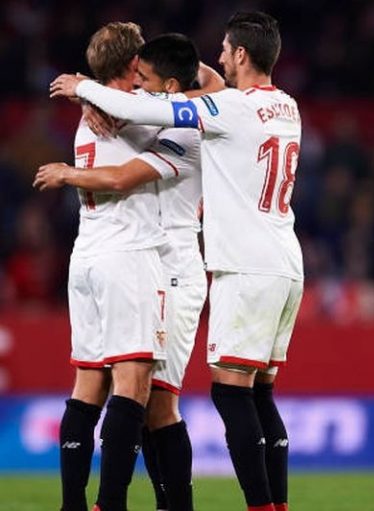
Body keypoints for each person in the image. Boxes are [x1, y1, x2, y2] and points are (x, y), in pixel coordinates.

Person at [51, 12, 303, 511]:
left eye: (227, 49)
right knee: (181, 399)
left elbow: (131, 155)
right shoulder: (284, 105)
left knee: (171, 399)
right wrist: (97, 94)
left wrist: (85, 91)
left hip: (191, 267)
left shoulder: (202, 122)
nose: (219, 58)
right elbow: (179, 88)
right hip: (259, 258)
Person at [37, 33, 222, 511]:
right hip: (135, 257)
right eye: (139, 72)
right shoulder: (140, 111)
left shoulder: (141, 116)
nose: (142, 84)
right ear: (133, 64)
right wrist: (91, 93)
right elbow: (208, 87)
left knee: (148, 400)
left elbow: (208, 90)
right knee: (140, 394)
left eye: (149, 77)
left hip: (149, 263)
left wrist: (86, 92)